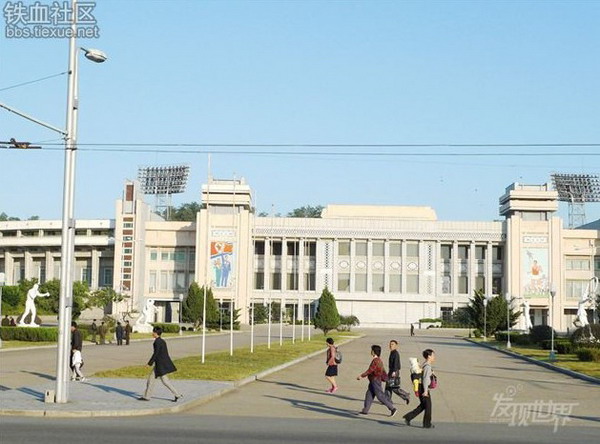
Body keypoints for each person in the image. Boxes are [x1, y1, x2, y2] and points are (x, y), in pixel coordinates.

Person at [139, 326, 183, 402]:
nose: (152, 333)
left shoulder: (157, 342)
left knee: (164, 381)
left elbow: (156, 354)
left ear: (156, 333)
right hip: (160, 364)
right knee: (152, 380)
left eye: (153, 332)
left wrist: (149, 363)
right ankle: (147, 396)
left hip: (160, 365)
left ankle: (177, 395)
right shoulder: (162, 341)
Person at [356, 345, 397, 417]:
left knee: (380, 396)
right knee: (369, 395)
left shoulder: (376, 361)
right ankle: (365, 411)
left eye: (372, 350)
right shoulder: (378, 360)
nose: (371, 351)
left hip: (375, 381)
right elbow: (383, 370)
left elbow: (370, 370)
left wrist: (361, 376)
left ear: (374, 352)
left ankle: (392, 409)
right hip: (373, 381)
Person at [403, 349, 436, 429]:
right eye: (433, 355)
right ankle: (427, 424)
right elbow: (425, 379)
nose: (434, 357)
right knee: (428, 406)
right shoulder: (427, 366)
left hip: (421, 387)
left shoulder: (424, 364)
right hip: (423, 388)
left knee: (423, 405)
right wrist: (425, 391)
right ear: (429, 356)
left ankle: (408, 417)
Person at [385, 340, 410, 404]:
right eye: (390, 344)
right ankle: (387, 399)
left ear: (396, 346)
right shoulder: (392, 352)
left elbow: (396, 363)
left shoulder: (395, 353)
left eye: (392, 344)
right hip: (391, 371)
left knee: (394, 387)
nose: (390, 345)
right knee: (388, 386)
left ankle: (405, 395)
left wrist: (394, 372)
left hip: (394, 372)